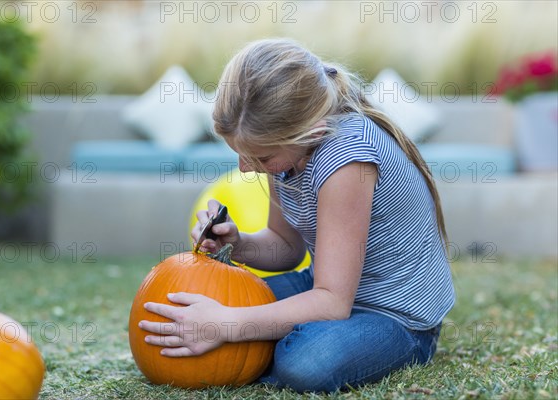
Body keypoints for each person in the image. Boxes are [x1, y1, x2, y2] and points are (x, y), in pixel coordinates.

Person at [138, 38, 455, 393]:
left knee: (305, 363)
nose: (247, 170)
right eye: (241, 155)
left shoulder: (346, 162)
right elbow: (288, 249)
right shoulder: (287, 150)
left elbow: (333, 302)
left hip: (394, 317)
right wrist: (238, 244)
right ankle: (262, 337)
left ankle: (267, 343)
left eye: (260, 158)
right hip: (325, 284)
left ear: (311, 132)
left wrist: (229, 324)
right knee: (191, 308)